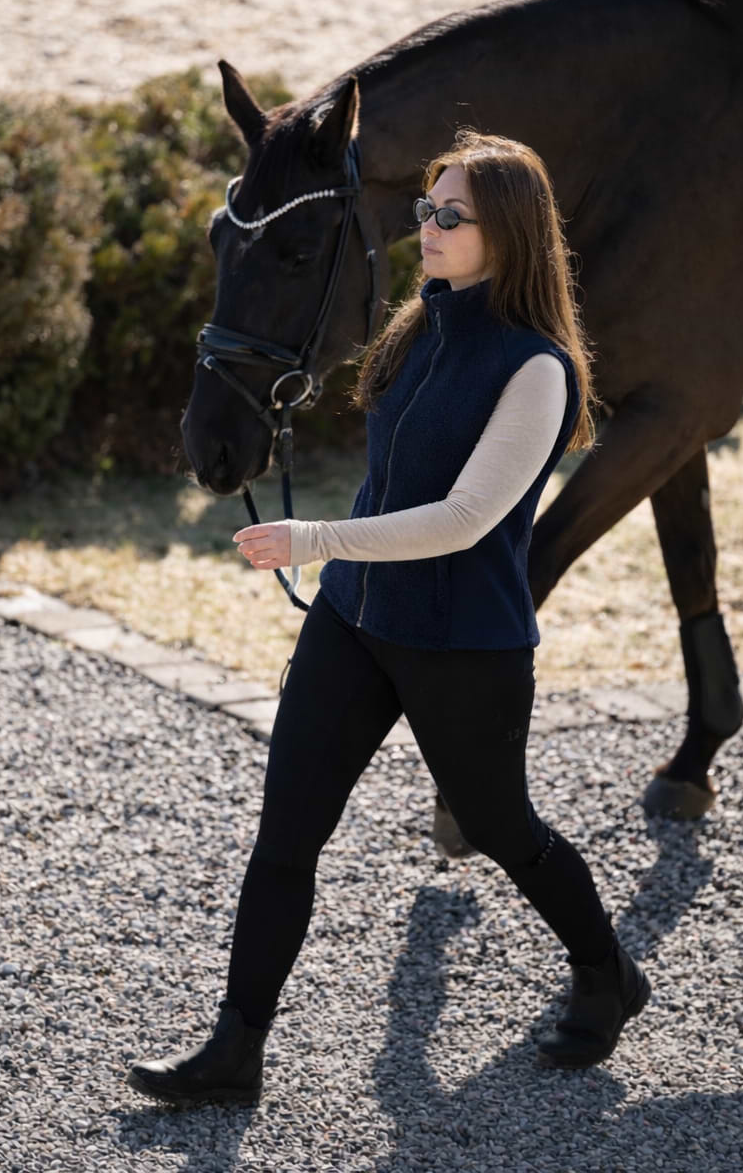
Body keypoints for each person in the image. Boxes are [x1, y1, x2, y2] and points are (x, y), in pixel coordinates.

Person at [127, 131, 650, 1105]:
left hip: (464, 643)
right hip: (354, 622)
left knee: (503, 829)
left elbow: (461, 522)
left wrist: (314, 539)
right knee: (286, 830)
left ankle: (607, 971)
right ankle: (234, 1051)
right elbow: (390, 469)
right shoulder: (418, 324)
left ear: (512, 235)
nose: (430, 228)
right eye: (426, 209)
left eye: (453, 215)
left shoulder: (538, 371)